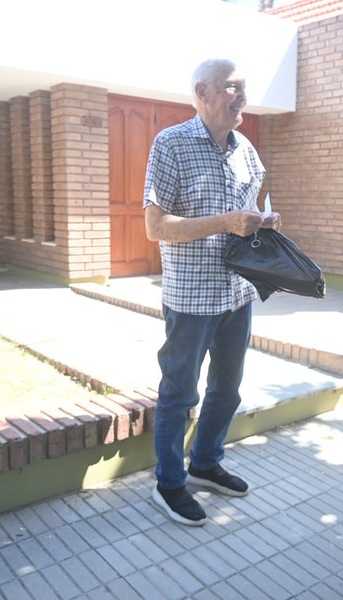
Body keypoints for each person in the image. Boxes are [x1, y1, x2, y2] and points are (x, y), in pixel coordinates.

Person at [143, 58, 281, 526]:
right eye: (230, 87)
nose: (240, 95)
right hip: (191, 298)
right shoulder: (171, 144)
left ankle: (204, 463)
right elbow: (156, 227)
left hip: (237, 293)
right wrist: (225, 222)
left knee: (227, 389)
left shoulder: (247, 151)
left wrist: (262, 224)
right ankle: (169, 482)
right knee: (180, 392)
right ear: (202, 92)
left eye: (244, 87)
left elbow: (249, 212)